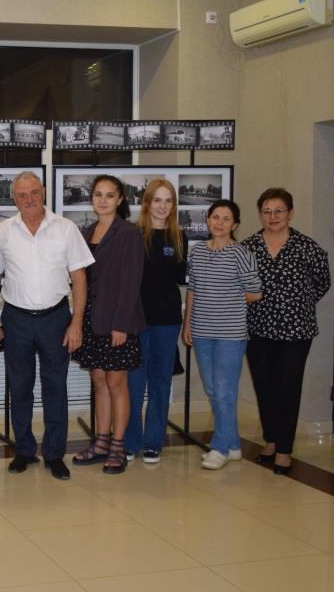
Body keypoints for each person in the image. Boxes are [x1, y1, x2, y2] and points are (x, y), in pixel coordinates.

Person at [0, 171, 93, 481]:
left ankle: (54, 453)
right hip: (16, 319)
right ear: (14, 198)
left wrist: (76, 323)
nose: (29, 199)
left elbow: (79, 279)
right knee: (19, 387)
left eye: (34, 192)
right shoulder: (2, 232)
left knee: (55, 388)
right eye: (22, 195)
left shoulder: (65, 228)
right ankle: (24, 450)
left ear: (44, 192)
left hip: (56, 318)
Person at [242, 188, 330, 474]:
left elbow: (322, 282)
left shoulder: (307, 247)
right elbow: (240, 285)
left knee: (288, 387)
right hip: (257, 329)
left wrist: (296, 303)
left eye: (279, 210)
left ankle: (284, 449)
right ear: (260, 214)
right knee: (264, 386)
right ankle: (271, 440)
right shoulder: (248, 247)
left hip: (296, 332)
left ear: (290, 213)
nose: (273, 216)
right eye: (267, 211)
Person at [71, 175, 145, 475]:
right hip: (92, 318)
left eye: (109, 195)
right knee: (99, 380)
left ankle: (118, 445)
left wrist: (121, 324)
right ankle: (100, 442)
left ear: (120, 199)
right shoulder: (85, 232)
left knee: (117, 383)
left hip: (117, 321)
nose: (103, 200)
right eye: (98, 194)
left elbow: (131, 282)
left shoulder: (129, 233)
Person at [184, 199, 262, 470]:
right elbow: (192, 289)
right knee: (212, 389)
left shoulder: (241, 253)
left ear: (235, 224)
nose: (219, 223)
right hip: (201, 331)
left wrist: (228, 301)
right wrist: (188, 324)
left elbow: (255, 293)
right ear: (208, 220)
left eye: (226, 218)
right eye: (215, 217)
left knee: (224, 391)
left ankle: (219, 448)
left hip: (230, 334)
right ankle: (233, 444)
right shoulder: (197, 252)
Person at [125, 179, 188, 465]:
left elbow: (179, 278)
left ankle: (153, 442)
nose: (163, 206)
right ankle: (131, 441)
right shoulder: (132, 235)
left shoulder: (179, 237)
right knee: (134, 384)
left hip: (167, 320)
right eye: (157, 200)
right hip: (136, 320)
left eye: (168, 200)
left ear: (173, 205)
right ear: (147, 203)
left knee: (160, 383)